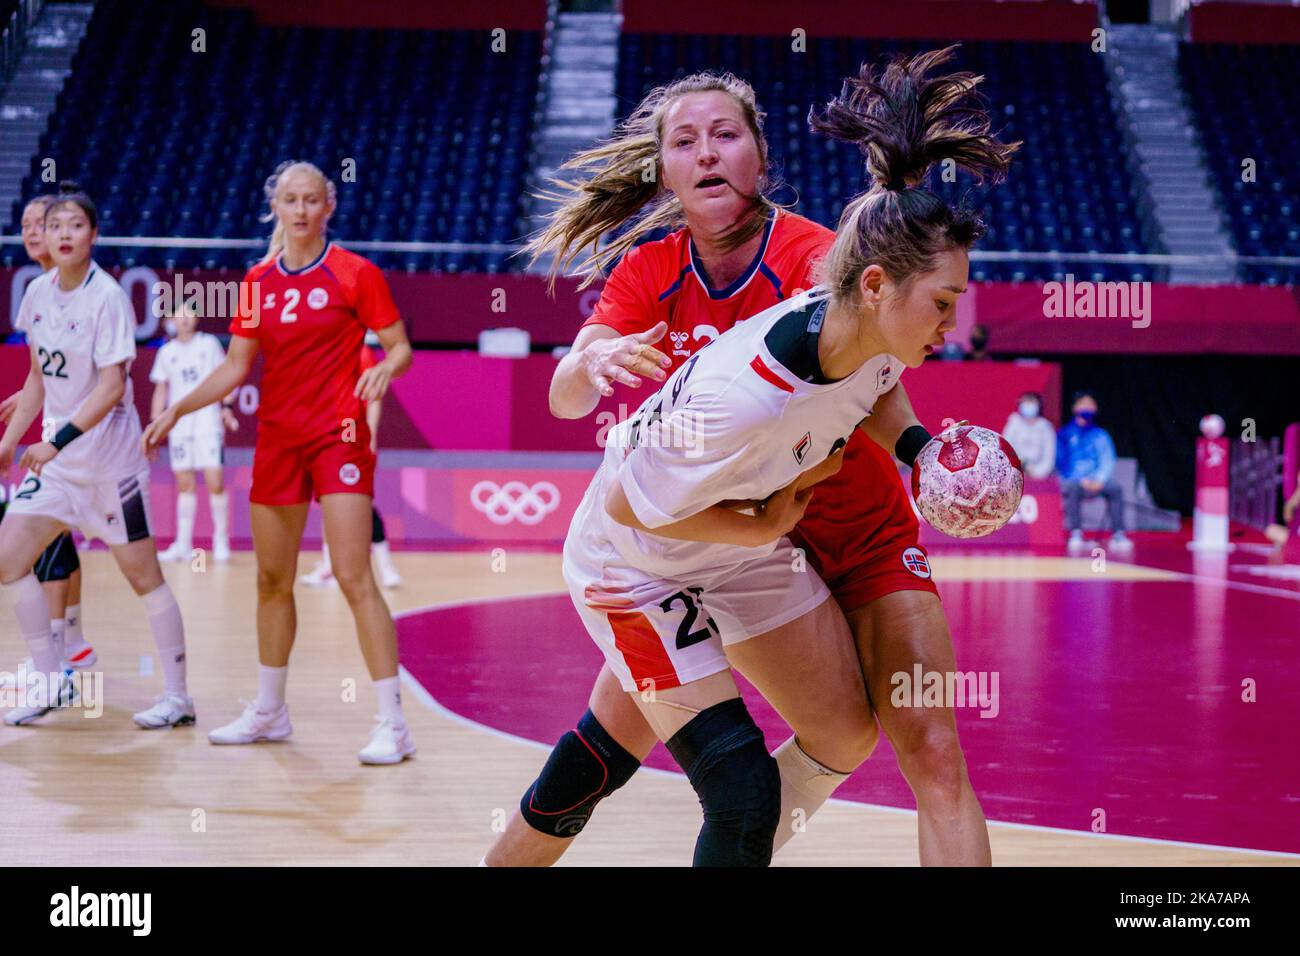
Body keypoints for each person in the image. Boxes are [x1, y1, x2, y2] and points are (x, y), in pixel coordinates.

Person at [485, 47, 1016, 865]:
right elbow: (573, 402)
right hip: (707, 532)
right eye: (685, 140)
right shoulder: (651, 273)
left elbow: (876, 365)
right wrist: (589, 362)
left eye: (726, 134)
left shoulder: (820, 256)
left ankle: (735, 842)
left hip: (847, 530)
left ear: (761, 156)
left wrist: (918, 449)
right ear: (664, 171)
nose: (706, 152)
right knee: (613, 746)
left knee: (910, 744)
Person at [142, 160, 416, 763]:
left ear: (328, 206)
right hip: (278, 440)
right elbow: (236, 367)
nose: (299, 210)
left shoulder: (356, 273)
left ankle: (392, 723)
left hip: (339, 435)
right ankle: (270, 711)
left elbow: (399, 347)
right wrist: (177, 410)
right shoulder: (258, 281)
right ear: (276, 207)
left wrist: (383, 375)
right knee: (271, 580)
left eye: (310, 200)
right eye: (289, 200)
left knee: (352, 575)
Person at [0, 183, 192, 727]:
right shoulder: (36, 293)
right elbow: (38, 378)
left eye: (75, 226)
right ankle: (53, 675)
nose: (63, 234)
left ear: (94, 235)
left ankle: (178, 696)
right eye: (55, 225)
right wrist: (10, 442)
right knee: (8, 558)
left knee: (143, 577)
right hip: (59, 469)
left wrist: (51, 441)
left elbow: (111, 388)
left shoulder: (107, 296)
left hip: (111, 468)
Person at [0, 194, 97, 692]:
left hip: (82, 444)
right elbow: (50, 370)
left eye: (43, 223)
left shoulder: (83, 288)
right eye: (26, 224)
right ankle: (69, 646)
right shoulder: (40, 289)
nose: (33, 232)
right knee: (52, 544)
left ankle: (56, 658)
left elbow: (104, 375)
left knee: (42, 546)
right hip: (57, 435)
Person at [300, 333, 402, 589]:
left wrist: (371, 432)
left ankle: (386, 566)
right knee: (327, 500)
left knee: (361, 503)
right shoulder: (318, 350)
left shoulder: (361, 352)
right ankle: (328, 566)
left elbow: (373, 397)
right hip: (324, 434)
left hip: (352, 435)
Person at [149, 302, 238, 563]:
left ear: (197, 318)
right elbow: (161, 390)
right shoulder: (166, 352)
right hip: (179, 426)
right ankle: (183, 545)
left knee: (215, 481)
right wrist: (156, 424)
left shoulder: (208, 344)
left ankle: (220, 542)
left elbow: (227, 377)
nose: (185, 318)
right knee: (185, 484)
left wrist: (228, 406)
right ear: (171, 320)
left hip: (207, 422)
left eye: (190, 313)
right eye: (180, 314)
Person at [1057, 390, 1130, 551]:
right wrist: (1080, 479)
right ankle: (1075, 532)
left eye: (1091, 405)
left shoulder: (1101, 435)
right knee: (1073, 488)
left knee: (1115, 489)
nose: (1087, 408)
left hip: (1097, 481)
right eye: (1083, 404)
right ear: (1075, 407)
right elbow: (1061, 462)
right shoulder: (1065, 434)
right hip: (1074, 480)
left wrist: (1099, 479)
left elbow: (1107, 460)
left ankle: (1118, 533)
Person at [1002, 391, 1056, 479]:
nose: (1029, 405)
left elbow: (1049, 455)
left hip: (1039, 475)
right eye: (1026, 402)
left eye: (1032, 402)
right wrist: (1016, 469)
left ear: (1039, 405)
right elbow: (1005, 448)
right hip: (1014, 472)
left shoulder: (1046, 427)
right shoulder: (1014, 422)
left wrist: (1036, 472)